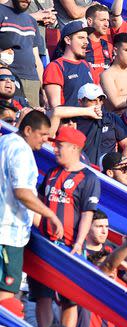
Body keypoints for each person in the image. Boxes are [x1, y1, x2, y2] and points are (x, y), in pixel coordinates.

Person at [33, 126, 100, 327]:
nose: (54, 149)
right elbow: (40, 202)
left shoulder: (89, 178)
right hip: (45, 243)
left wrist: (79, 243)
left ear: (73, 148)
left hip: (70, 246)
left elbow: (88, 213)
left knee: (69, 298)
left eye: (59, 145)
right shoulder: (52, 172)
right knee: (41, 294)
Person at [0, 111, 62, 303]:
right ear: (28, 130)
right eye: (43, 134)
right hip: (8, 233)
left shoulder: (5, 142)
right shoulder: (22, 151)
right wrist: (50, 215)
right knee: (6, 294)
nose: (46, 139)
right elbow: (22, 192)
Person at [0, 0, 44, 107]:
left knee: (31, 121)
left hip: (32, 80)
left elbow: (36, 58)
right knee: (7, 118)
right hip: (7, 79)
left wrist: (43, 89)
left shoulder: (31, 20)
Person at [42, 21, 96, 108]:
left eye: (86, 38)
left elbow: (97, 98)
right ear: (68, 40)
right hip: (69, 121)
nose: (86, 42)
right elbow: (56, 107)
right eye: (81, 37)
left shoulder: (87, 66)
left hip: (90, 120)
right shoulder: (55, 67)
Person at [85, 4, 111, 81]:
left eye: (107, 20)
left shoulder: (109, 46)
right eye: (102, 20)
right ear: (90, 21)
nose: (106, 24)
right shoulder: (80, 45)